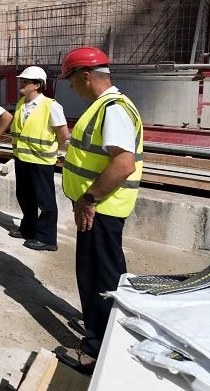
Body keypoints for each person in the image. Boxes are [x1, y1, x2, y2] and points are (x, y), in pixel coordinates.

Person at [55, 47, 143, 374]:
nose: (71, 87)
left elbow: (123, 164)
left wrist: (89, 199)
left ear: (86, 76)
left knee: (99, 278)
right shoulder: (106, 107)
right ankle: (103, 333)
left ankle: (96, 351)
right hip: (99, 208)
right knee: (99, 275)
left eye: (72, 80)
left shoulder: (113, 110)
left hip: (100, 210)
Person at [9, 66, 70, 251]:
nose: (21, 84)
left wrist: (53, 150)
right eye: (21, 81)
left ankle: (47, 239)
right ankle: (28, 229)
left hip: (41, 161)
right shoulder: (21, 103)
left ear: (37, 85)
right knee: (24, 196)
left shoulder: (51, 106)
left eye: (25, 81)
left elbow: (63, 135)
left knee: (44, 200)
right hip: (22, 158)